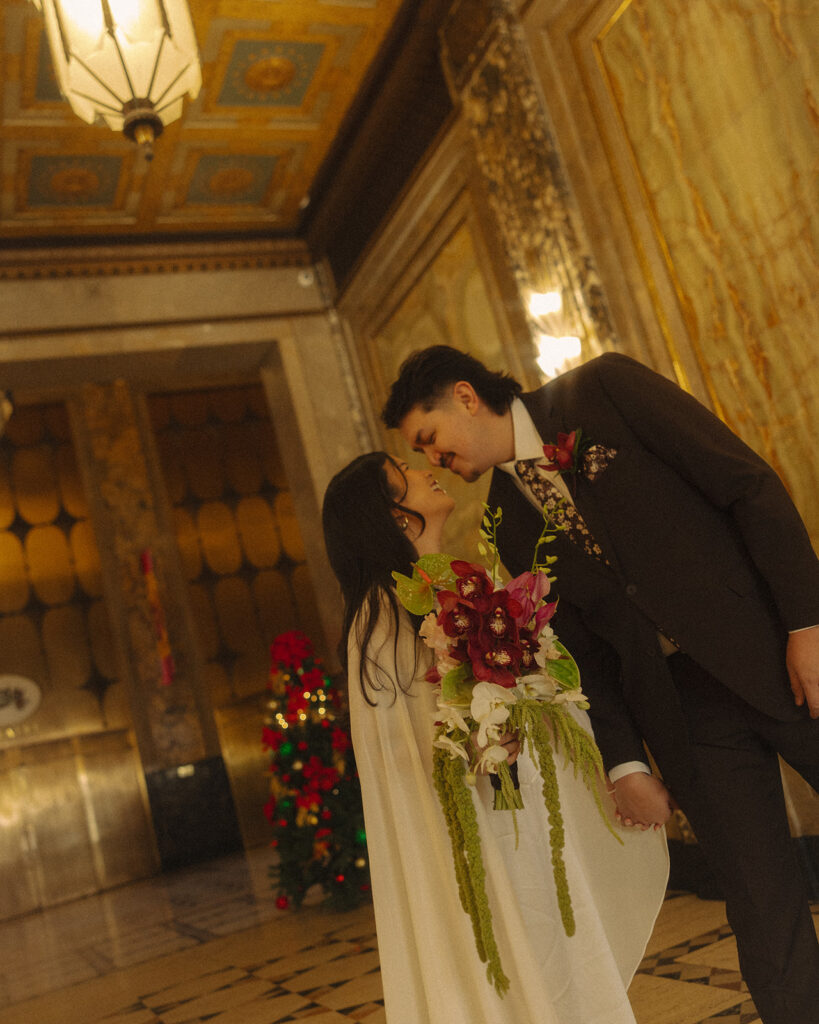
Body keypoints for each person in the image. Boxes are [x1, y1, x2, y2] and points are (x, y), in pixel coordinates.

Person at [382, 345, 819, 1024]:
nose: (434, 460)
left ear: (465, 397)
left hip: (776, 655)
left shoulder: (603, 390)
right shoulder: (508, 520)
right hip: (683, 714)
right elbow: (582, 653)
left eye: (428, 439)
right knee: (761, 902)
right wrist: (623, 759)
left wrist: (805, 623)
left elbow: (746, 485)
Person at [322, 451, 668, 1024]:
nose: (420, 467)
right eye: (402, 473)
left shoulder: (451, 583)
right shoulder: (385, 616)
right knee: (518, 959)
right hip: (476, 833)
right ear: (394, 517)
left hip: (520, 813)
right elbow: (411, 750)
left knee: (556, 947)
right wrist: (479, 744)